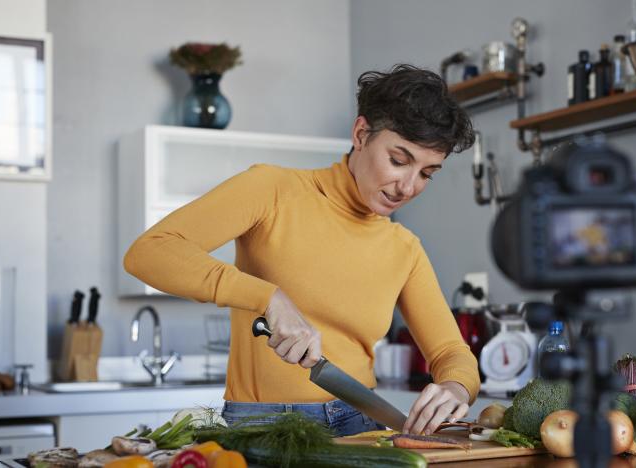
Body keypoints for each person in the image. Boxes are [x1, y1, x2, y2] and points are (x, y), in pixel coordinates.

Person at [124, 64, 480, 436]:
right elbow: (149, 252)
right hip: (263, 427)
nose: (407, 187)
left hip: (362, 424)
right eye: (399, 160)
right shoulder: (273, 191)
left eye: (427, 173)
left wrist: (455, 386)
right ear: (361, 134)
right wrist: (268, 297)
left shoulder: (405, 249)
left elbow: (451, 354)